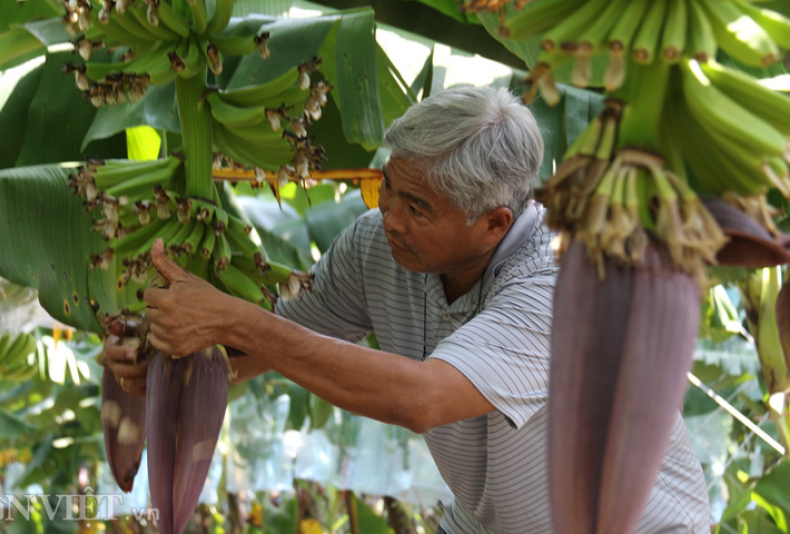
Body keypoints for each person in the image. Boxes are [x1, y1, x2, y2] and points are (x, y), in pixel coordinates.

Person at [106, 86, 711, 533]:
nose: (390, 217)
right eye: (388, 188)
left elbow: (423, 399)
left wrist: (231, 319)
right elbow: (274, 343)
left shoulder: (561, 278)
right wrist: (170, 357)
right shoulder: (377, 244)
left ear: (493, 223)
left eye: (418, 207)